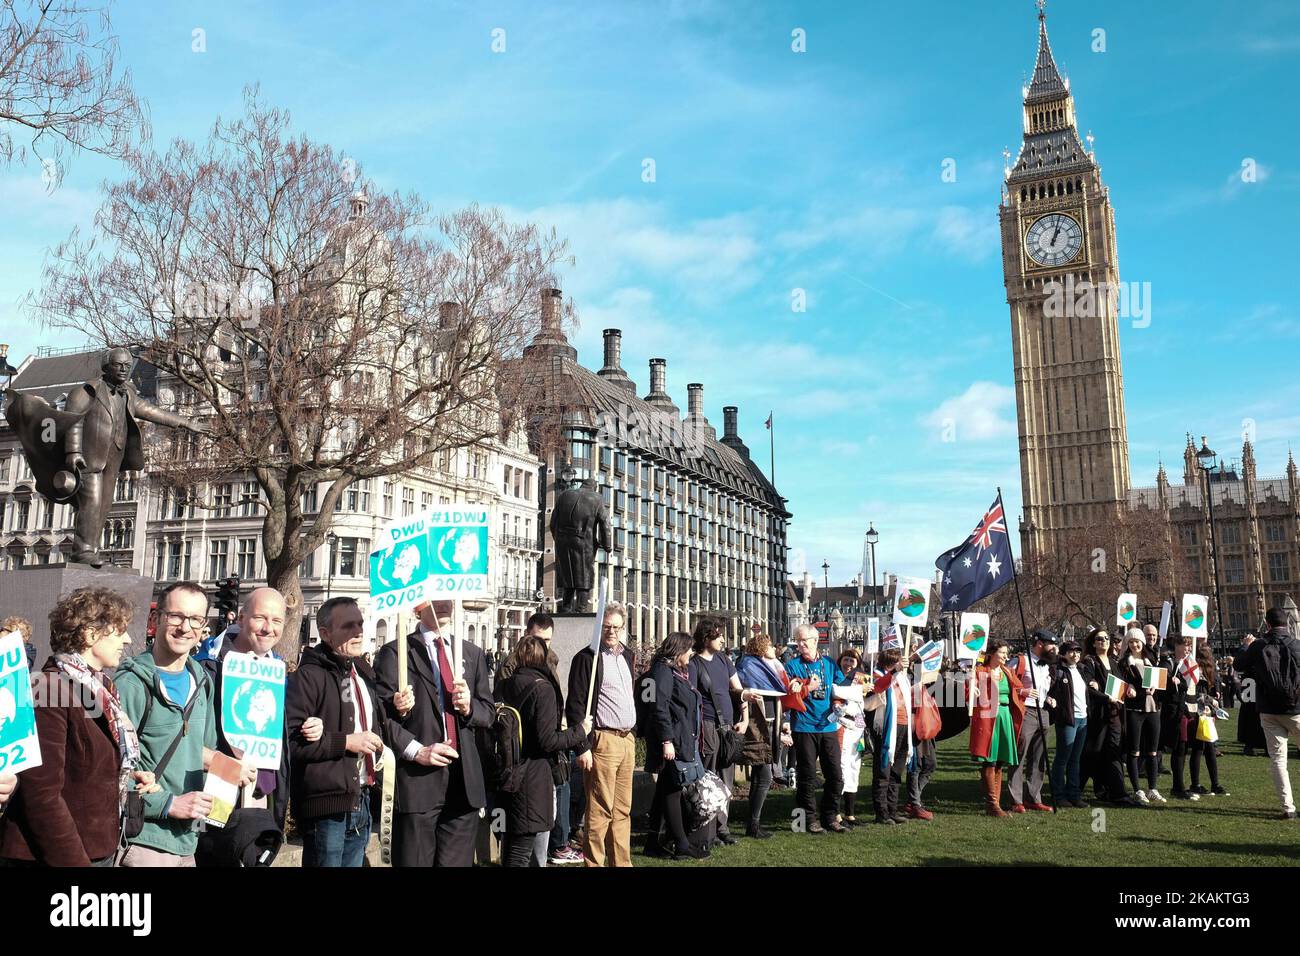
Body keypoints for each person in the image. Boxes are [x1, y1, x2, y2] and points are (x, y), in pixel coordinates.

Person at [0, 588, 153, 866]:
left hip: (95, 848)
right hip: (57, 855)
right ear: (91, 634)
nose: (128, 639)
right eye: (119, 631)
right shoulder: (47, 689)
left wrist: (126, 774)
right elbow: (41, 793)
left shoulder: (99, 686)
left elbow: (81, 765)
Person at [287, 597, 413, 867]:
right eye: (348, 626)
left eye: (360, 624)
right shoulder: (308, 676)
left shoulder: (364, 672)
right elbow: (292, 743)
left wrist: (396, 708)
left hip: (362, 798)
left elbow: (373, 726)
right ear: (325, 633)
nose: (358, 632)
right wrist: (347, 742)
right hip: (327, 807)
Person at [374, 599, 494, 866]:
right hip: (418, 783)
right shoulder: (397, 652)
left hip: (463, 785)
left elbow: (488, 712)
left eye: (449, 597)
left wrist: (469, 708)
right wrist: (417, 750)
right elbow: (381, 717)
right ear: (418, 605)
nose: (444, 604)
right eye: (435, 598)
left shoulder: (471, 653)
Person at [115, 581, 225, 866]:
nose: (185, 627)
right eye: (175, 616)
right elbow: (108, 771)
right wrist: (168, 804)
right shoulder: (130, 684)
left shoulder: (203, 681)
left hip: (187, 841)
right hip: (143, 842)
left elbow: (200, 752)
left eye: (195, 619)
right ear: (156, 619)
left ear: (203, 627)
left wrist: (232, 768)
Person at [196, 587, 292, 866]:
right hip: (219, 794)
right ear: (240, 617)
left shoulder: (277, 670)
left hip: (263, 794)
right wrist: (225, 767)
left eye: (276, 621)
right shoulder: (208, 667)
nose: (268, 628)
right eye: (260, 618)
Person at [497, 635, 592, 866]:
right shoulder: (543, 689)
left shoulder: (507, 684)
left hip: (508, 769)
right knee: (522, 851)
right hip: (534, 774)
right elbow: (547, 740)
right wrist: (580, 731)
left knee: (512, 844)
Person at [567, 601, 638, 867]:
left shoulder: (627, 655)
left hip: (626, 739)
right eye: (607, 626)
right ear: (599, 626)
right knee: (599, 811)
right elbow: (574, 704)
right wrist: (583, 747)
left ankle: (621, 863)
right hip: (603, 741)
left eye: (616, 627)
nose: (611, 632)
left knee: (622, 810)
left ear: (623, 628)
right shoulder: (587, 658)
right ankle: (594, 863)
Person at [688, 617, 757, 846]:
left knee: (726, 778)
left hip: (728, 726)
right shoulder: (694, 664)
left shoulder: (724, 660)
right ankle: (707, 829)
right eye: (717, 635)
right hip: (707, 725)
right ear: (706, 637)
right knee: (709, 778)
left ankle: (722, 828)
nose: (722, 639)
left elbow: (738, 691)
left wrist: (745, 720)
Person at [643, 632, 707, 860]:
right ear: (679, 650)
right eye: (689, 649)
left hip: (677, 738)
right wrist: (667, 741)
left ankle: (652, 841)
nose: (692, 653)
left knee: (664, 790)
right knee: (672, 790)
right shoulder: (663, 672)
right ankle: (681, 844)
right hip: (672, 742)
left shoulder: (670, 671)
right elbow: (659, 707)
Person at [784, 623, 849, 833]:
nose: (800, 644)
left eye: (804, 640)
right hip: (804, 726)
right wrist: (806, 688)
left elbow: (840, 690)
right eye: (798, 640)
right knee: (807, 776)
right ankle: (807, 819)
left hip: (828, 725)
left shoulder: (829, 664)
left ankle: (830, 816)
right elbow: (788, 695)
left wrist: (839, 703)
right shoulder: (792, 665)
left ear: (815, 641)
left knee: (836, 775)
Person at [1238, 607, 1300, 819]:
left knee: (1278, 760)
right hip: (1295, 709)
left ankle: (1288, 807)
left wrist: (1246, 647)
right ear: (1287, 623)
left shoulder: (1258, 646)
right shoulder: (1296, 645)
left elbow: (1239, 665)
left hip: (1269, 710)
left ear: (1267, 624)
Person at [735, 632, 790, 838]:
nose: (774, 649)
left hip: (769, 725)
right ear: (761, 648)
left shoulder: (770, 667)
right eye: (769, 646)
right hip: (757, 728)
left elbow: (775, 697)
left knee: (761, 776)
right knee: (764, 776)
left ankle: (753, 823)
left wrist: (782, 723)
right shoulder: (749, 665)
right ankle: (753, 825)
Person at [970, 637, 1025, 817]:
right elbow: (966, 688)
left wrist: (1023, 691)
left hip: (1004, 716)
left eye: (1006, 653)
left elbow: (1017, 689)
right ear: (992, 653)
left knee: (1000, 761)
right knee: (989, 759)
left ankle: (995, 804)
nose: (1005, 655)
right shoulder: (979, 671)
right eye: (1002, 652)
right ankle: (992, 805)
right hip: (987, 718)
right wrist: (971, 689)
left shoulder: (1007, 671)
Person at [1078, 629, 1135, 805]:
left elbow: (1121, 684)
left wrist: (1129, 689)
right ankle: (1075, 789)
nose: (1103, 641)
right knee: (1092, 753)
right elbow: (1088, 687)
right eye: (1099, 639)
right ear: (1093, 643)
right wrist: (1103, 695)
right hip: (1098, 715)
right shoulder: (1089, 662)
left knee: (1113, 751)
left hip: (1115, 715)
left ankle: (1117, 792)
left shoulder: (1113, 662)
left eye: (1106, 638)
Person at [1007, 629, 1057, 812]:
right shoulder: (1020, 661)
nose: (1054, 648)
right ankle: (1016, 799)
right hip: (1025, 711)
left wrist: (1048, 698)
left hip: (1043, 712)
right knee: (1020, 755)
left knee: (1039, 757)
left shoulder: (1046, 665)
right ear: (1040, 644)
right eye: (1051, 644)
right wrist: (1022, 692)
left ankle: (1034, 797)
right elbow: (1005, 683)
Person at [1116, 628, 1165, 804]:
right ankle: (1137, 789)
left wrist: (1156, 686)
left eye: (1138, 641)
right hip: (1134, 710)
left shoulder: (1150, 659)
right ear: (1127, 644)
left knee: (1152, 751)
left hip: (1153, 708)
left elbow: (1159, 680)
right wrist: (1128, 687)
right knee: (1134, 750)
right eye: (1131, 642)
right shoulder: (1123, 664)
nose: (1135, 644)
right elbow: (1119, 684)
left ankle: (1153, 788)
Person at [866, 646, 911, 825]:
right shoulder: (878, 675)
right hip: (886, 728)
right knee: (883, 770)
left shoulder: (902, 679)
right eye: (896, 662)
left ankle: (892, 809)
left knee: (896, 771)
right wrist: (894, 671)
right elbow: (879, 686)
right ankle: (881, 812)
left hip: (903, 726)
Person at [1048, 641, 1095, 808]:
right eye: (1071, 652)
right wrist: (1051, 701)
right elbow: (1049, 690)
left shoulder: (1081, 670)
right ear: (1064, 653)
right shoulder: (1058, 670)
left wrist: (1092, 684)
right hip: (1068, 719)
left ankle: (1074, 795)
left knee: (1075, 759)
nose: (1075, 655)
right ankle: (1059, 795)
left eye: (1078, 651)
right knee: (1062, 759)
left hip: (1083, 719)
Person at [1189, 644, 1229, 798]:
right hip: (1200, 712)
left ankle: (1211, 783)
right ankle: (1200, 784)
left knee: (1206, 749)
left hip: (1205, 713)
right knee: (1201, 748)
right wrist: (1212, 700)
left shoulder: (1206, 671)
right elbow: (1198, 694)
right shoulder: (1198, 671)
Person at [835, 648, 869, 827]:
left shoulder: (861, 679)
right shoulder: (836, 678)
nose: (848, 664)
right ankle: (836, 814)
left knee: (854, 769)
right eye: (846, 660)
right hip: (842, 725)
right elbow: (836, 692)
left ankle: (850, 814)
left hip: (857, 727)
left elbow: (861, 704)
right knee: (842, 769)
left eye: (852, 661)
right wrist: (856, 691)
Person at [1164, 635, 1200, 801]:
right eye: (1184, 645)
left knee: (1185, 748)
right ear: (1177, 646)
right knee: (1179, 748)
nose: (1187, 649)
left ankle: (1182, 785)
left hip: (1188, 710)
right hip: (1175, 711)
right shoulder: (1169, 662)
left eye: (1188, 646)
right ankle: (1177, 786)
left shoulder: (1187, 663)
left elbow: (1187, 685)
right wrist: (1175, 682)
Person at [1234, 634, 1266, 755]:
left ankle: (1251, 745)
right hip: (1255, 686)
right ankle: (1254, 745)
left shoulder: (1256, 649)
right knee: (1254, 715)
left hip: (1254, 685)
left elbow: (1239, 662)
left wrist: (1246, 646)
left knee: (1252, 715)